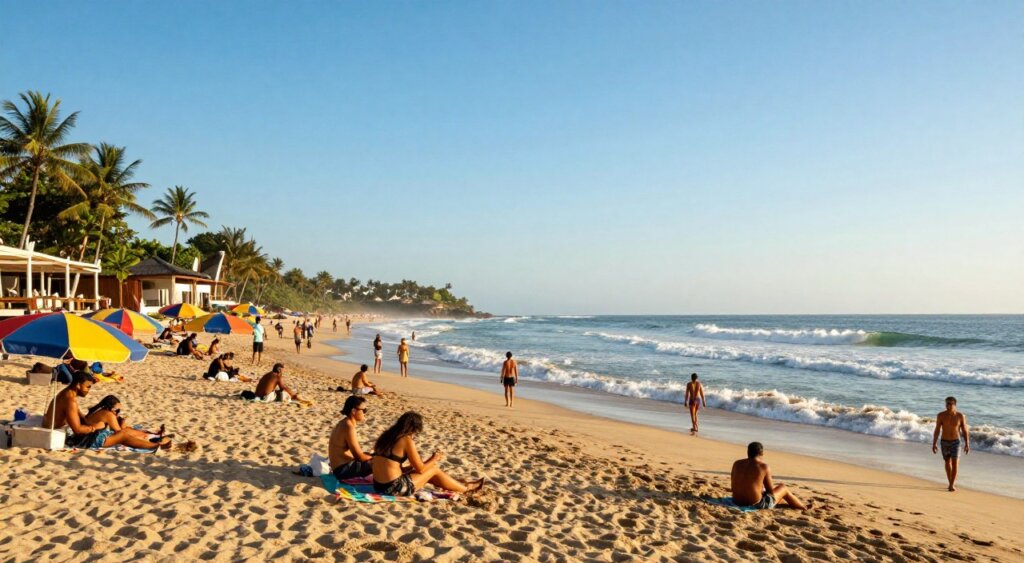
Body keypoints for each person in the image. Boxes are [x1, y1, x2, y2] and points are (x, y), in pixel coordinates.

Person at [41, 371, 171, 450]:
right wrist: (95, 427)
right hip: (73, 437)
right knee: (123, 435)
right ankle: (155, 446)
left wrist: (89, 422)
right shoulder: (70, 400)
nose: (88, 390)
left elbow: (78, 416)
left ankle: (154, 441)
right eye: (87, 387)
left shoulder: (67, 394)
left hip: (58, 429)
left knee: (119, 432)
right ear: (78, 385)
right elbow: (78, 430)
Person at [371, 411, 484, 496]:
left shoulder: (386, 437)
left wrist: (409, 469)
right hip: (393, 488)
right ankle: (467, 489)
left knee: (427, 472)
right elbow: (421, 469)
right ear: (414, 428)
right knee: (434, 469)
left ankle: (460, 485)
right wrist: (435, 458)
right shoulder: (406, 439)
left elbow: (388, 464)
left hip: (378, 486)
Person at [730, 442, 808, 510]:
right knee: (783, 488)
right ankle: (803, 507)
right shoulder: (763, 467)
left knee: (769, 493)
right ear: (762, 453)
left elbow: (733, 486)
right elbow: (770, 492)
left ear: (748, 452)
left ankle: (792, 503)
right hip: (755, 504)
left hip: (736, 501)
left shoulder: (737, 463)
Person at [329, 396, 373, 480]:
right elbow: (359, 457)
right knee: (381, 462)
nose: (365, 413)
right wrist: (375, 458)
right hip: (343, 471)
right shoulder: (348, 427)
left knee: (372, 456)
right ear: (353, 411)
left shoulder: (343, 423)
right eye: (364, 410)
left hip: (339, 468)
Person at [932, 396, 970, 492]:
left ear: (955, 405)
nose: (948, 406)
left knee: (955, 463)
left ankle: (952, 485)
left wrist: (967, 443)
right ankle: (950, 482)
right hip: (944, 441)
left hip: (956, 442)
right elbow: (937, 430)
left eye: (950, 404)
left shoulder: (960, 416)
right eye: (947, 403)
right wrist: (934, 443)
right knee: (947, 462)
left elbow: (965, 430)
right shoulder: (940, 415)